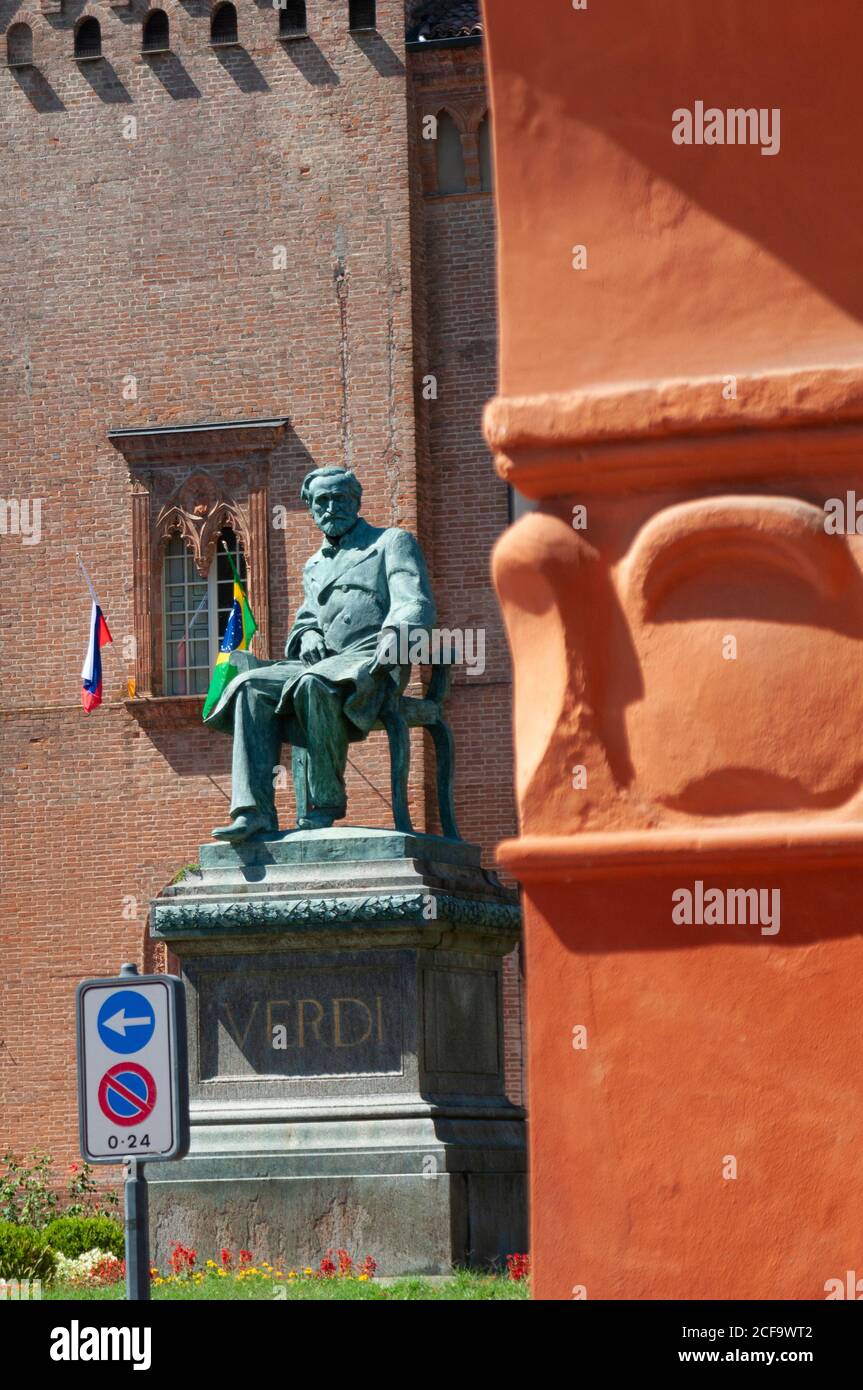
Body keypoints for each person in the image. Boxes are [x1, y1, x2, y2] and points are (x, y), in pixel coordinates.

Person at [205, 466, 436, 841]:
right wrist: (308, 632)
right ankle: (254, 811)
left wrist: (397, 638)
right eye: (322, 501)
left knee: (313, 682)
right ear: (311, 509)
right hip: (323, 663)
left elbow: (415, 601)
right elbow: (306, 618)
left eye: (340, 498)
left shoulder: (390, 542)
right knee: (249, 686)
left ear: (356, 502)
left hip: (373, 660)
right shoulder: (315, 565)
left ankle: (324, 801)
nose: (331, 507)